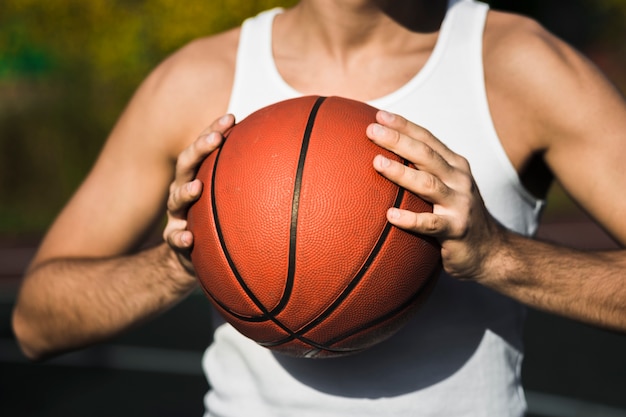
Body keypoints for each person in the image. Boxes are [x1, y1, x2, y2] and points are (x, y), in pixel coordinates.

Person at [12, 0, 626, 415]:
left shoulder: (519, 64)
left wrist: (500, 257)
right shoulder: (198, 78)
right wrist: (177, 264)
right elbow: (36, 323)